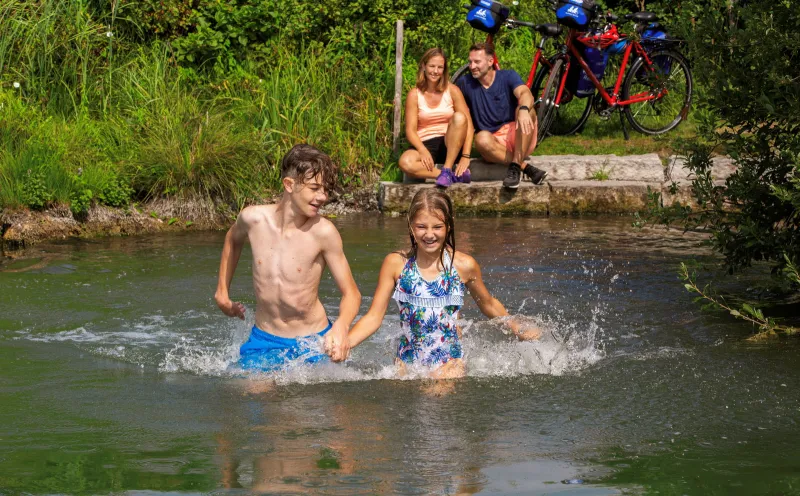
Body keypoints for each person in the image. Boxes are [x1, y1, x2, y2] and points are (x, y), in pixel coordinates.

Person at [347, 188, 540, 379]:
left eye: (437, 227)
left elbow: (488, 304)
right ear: (411, 226)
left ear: (449, 226)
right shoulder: (396, 264)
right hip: (407, 360)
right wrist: (345, 343)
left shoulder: (464, 266)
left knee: (437, 396)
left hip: (450, 361)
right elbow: (374, 316)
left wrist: (515, 326)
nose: (429, 234)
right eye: (421, 227)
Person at [214, 144, 362, 370]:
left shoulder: (323, 232)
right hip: (264, 339)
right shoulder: (253, 219)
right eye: (314, 188)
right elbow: (232, 240)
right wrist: (222, 292)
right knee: (249, 396)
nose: (322, 197)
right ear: (289, 185)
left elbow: (351, 293)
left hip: (312, 342)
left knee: (304, 404)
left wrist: (341, 327)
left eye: (326, 190)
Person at [456, 42, 548, 189]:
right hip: (493, 143)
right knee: (481, 139)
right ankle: (522, 167)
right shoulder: (465, 83)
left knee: (526, 110)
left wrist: (523, 109)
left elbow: (525, 93)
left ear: (490, 61)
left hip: (520, 134)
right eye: (470, 61)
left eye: (477, 62)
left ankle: (516, 165)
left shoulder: (507, 76)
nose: (472, 66)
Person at [399, 48, 474, 188]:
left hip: (450, 142)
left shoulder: (452, 90)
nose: (435, 71)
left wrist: (466, 155)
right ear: (424, 66)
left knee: (459, 117)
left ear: (444, 70)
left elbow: (468, 124)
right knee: (405, 162)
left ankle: (447, 168)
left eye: (440, 67)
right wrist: (422, 150)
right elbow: (410, 130)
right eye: (432, 66)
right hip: (425, 144)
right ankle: (449, 175)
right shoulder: (414, 95)